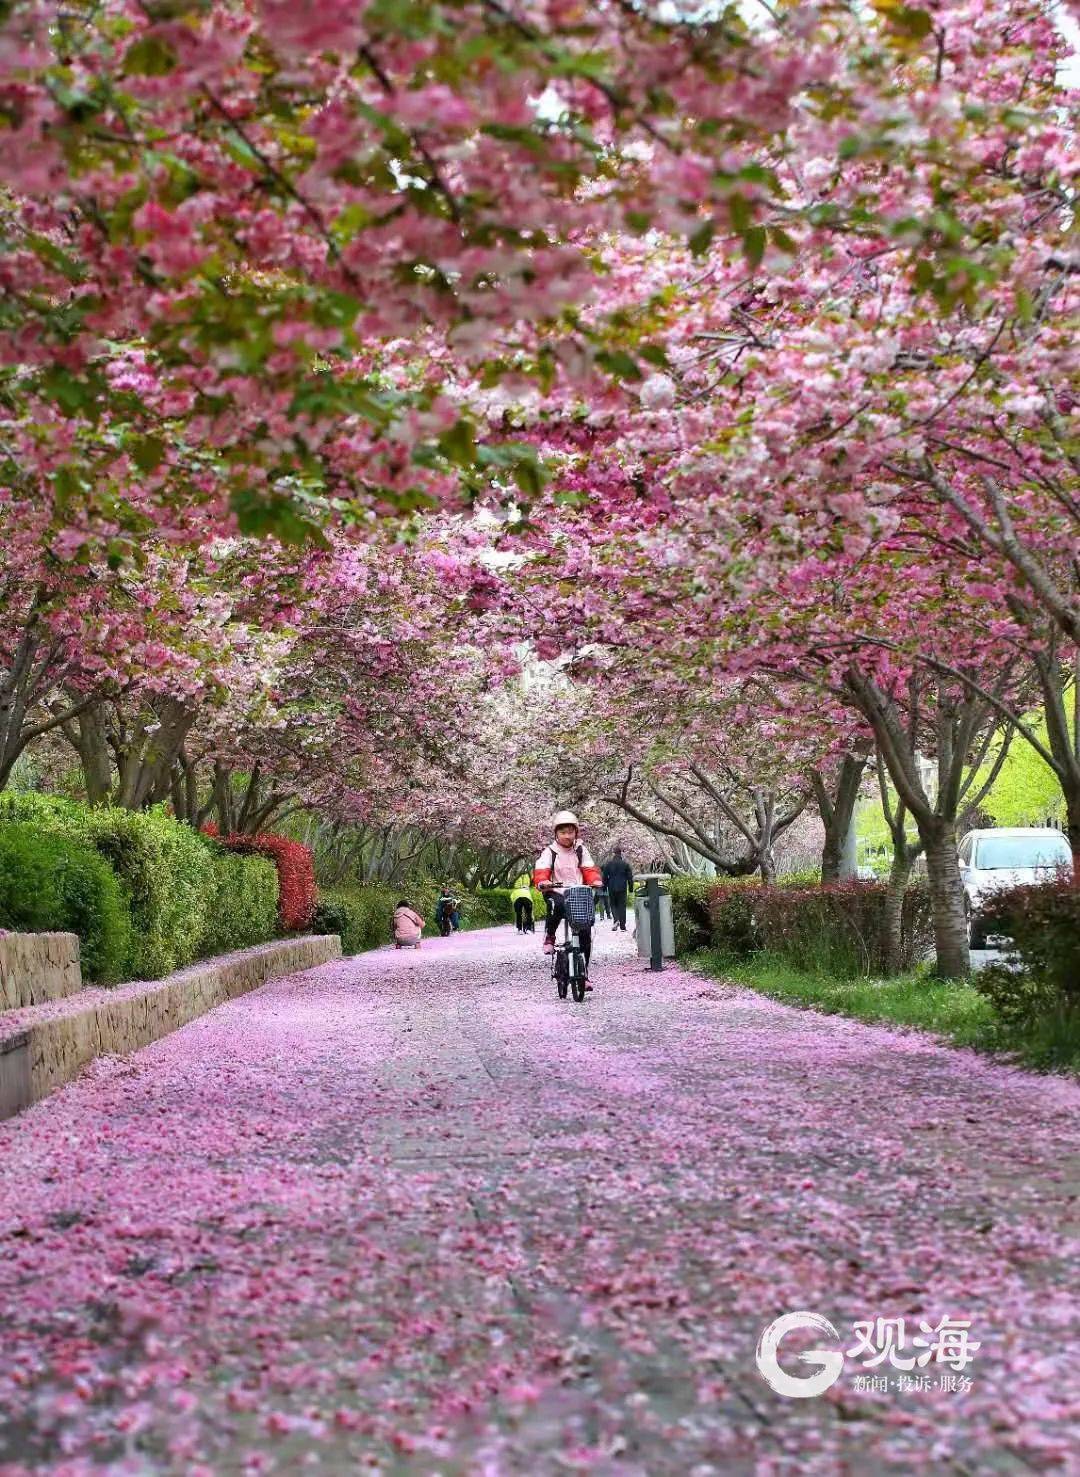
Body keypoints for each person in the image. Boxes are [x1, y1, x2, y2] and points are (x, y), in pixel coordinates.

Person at [533, 811, 602, 962]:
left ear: (576, 833)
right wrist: (543, 881)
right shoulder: (550, 851)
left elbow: (589, 868)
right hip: (556, 890)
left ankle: (584, 971)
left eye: (570, 832)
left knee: (585, 930)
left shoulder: (580, 850)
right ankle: (550, 935)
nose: (567, 836)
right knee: (556, 904)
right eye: (563, 832)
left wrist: (595, 880)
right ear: (556, 833)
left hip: (577, 892)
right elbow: (542, 870)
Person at [602, 846, 634, 931]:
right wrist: (631, 888)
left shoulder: (608, 864)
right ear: (620, 853)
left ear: (614, 853)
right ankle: (623, 926)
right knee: (622, 906)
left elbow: (604, 877)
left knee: (613, 904)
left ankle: (616, 920)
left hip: (611, 886)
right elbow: (630, 878)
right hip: (622, 887)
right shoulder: (625, 864)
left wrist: (604, 887)